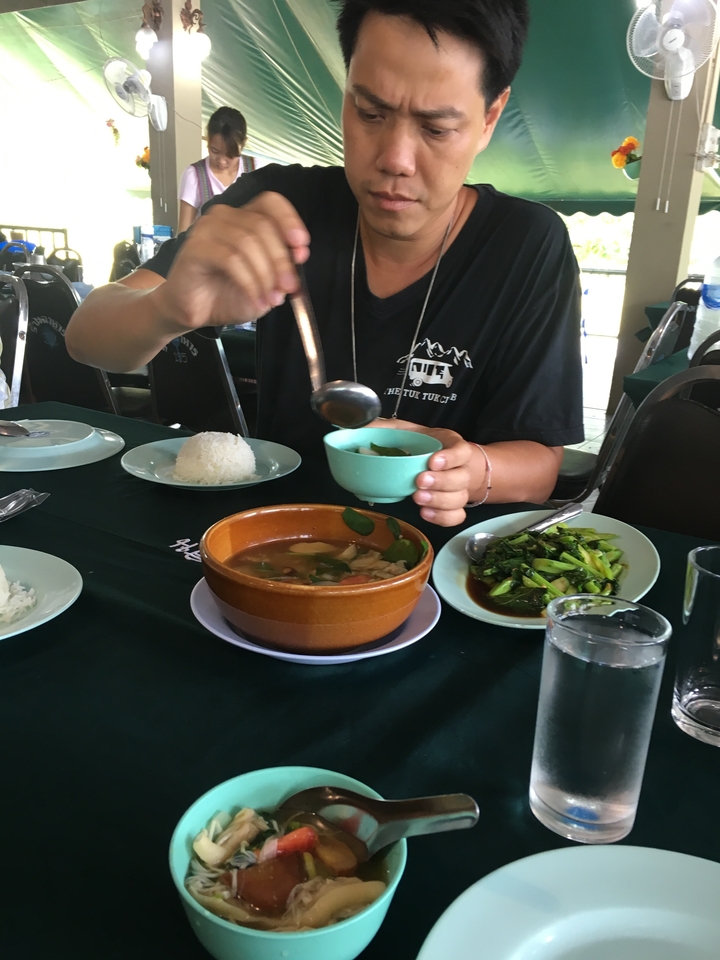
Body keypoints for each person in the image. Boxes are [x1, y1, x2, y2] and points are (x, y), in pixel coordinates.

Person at [67, 0, 583, 528]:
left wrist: (471, 470)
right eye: (370, 113)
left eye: (436, 129)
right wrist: (167, 309)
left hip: (441, 558)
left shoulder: (526, 245)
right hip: (277, 543)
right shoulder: (276, 204)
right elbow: (86, 337)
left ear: (489, 118)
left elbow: (541, 463)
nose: (395, 159)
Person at [177, 106, 248, 233]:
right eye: (215, 151)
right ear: (207, 139)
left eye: (230, 155)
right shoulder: (194, 175)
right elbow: (183, 233)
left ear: (243, 144)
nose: (221, 161)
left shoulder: (256, 170)